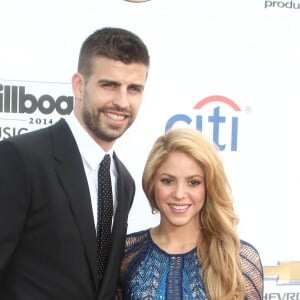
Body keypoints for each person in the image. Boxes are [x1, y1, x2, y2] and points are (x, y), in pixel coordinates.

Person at [0, 27, 150, 300]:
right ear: (79, 85)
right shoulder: (21, 159)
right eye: (109, 85)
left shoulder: (123, 182)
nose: (121, 101)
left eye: (134, 89)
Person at [116, 128, 264, 300]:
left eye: (193, 182)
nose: (179, 194)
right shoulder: (127, 254)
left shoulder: (238, 259)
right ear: (151, 183)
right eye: (168, 181)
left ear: (208, 187)